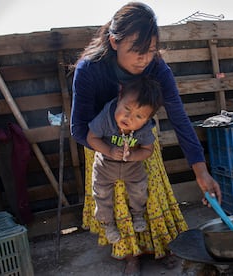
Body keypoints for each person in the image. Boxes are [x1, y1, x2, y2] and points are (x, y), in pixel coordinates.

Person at [70, 2, 222, 275]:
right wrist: (109, 148)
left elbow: (179, 119)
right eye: (137, 51)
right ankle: (130, 255)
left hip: (140, 141)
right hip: (100, 142)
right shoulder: (89, 70)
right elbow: (78, 128)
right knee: (118, 197)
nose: (144, 59)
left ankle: (160, 245)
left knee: (149, 190)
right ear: (114, 42)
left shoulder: (157, 70)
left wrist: (201, 171)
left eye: (151, 51)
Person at [87, 77, 163, 243]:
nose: (129, 118)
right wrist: (109, 150)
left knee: (139, 190)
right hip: (105, 166)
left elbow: (148, 150)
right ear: (119, 98)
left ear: (147, 119)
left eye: (139, 116)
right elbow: (91, 138)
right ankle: (108, 224)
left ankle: (138, 215)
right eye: (126, 108)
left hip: (132, 167)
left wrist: (134, 156)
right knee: (101, 194)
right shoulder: (105, 118)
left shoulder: (145, 129)